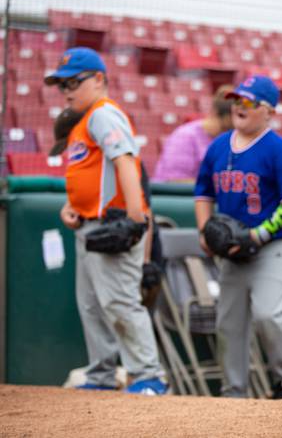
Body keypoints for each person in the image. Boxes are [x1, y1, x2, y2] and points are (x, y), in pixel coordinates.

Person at [45, 47, 167, 395]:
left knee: (119, 302)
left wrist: (134, 218)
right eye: (61, 84)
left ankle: (148, 376)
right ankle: (100, 374)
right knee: (92, 305)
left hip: (114, 224)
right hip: (89, 224)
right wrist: (72, 205)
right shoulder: (84, 120)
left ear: (98, 80)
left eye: (74, 81)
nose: (66, 89)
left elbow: (125, 163)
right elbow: (92, 174)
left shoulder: (103, 114)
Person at [194, 75, 282, 399]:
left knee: (269, 314)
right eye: (236, 100)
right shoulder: (218, 146)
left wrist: (259, 234)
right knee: (228, 323)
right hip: (231, 249)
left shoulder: (277, 149)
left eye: (248, 102)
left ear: (268, 111)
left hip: (273, 245)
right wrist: (204, 230)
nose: (239, 107)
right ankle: (234, 393)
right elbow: (203, 192)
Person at [152, 85, 234, 182]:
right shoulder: (185, 136)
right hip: (174, 195)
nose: (228, 132)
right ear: (214, 113)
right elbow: (173, 181)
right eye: (225, 127)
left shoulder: (233, 138)